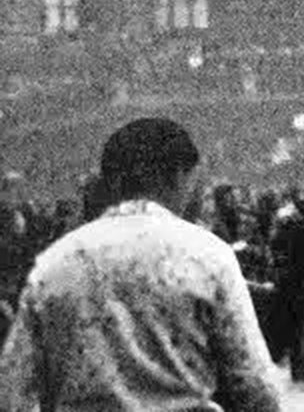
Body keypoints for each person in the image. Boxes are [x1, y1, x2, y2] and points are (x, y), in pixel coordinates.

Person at [0, 117, 282, 412]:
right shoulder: (209, 256)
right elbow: (255, 386)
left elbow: (13, 393)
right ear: (177, 176)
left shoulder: (54, 265)